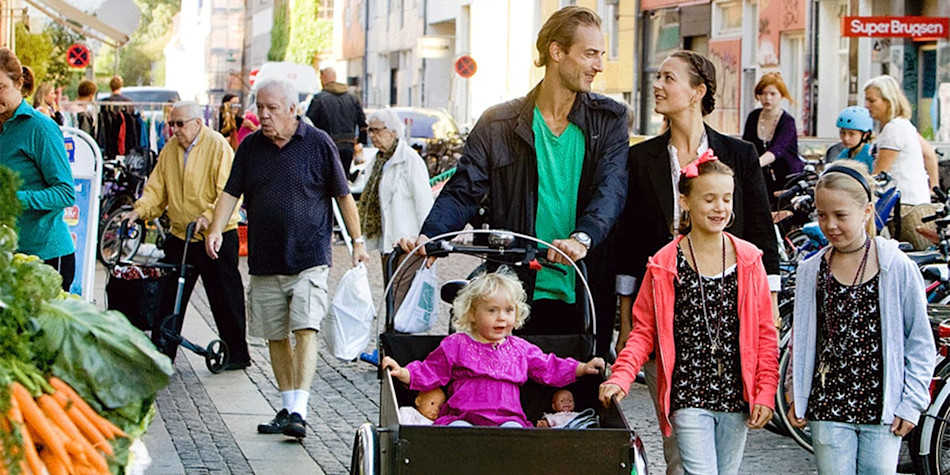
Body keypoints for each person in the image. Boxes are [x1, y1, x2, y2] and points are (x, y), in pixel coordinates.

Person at [398, 6, 629, 357]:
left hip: (581, 286)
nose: (599, 65)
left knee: (571, 401)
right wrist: (432, 235)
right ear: (556, 51)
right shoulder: (498, 123)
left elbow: (611, 189)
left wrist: (583, 238)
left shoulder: (608, 120)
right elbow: (464, 189)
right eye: (589, 54)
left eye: (601, 55)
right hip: (514, 290)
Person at [613, 50, 780, 475]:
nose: (658, 85)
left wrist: (771, 302)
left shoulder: (738, 155)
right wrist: (626, 318)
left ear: (697, 92)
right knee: (678, 449)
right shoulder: (640, 158)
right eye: (658, 76)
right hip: (666, 312)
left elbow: (760, 229)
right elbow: (630, 243)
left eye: (669, 78)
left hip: (729, 310)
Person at [204, 78, 370, 439]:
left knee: (305, 328)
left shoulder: (318, 143)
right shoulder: (250, 148)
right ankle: (288, 405)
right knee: (276, 335)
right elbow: (231, 193)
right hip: (265, 259)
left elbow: (343, 196)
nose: (263, 115)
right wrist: (216, 229)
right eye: (260, 107)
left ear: (292, 110)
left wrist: (357, 241)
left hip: (309, 255)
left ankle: (299, 409)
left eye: (272, 109)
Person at [785, 162, 934, 473]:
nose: (830, 225)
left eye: (841, 215)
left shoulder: (895, 266)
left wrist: (912, 403)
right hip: (827, 406)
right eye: (822, 215)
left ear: (867, 211)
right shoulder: (811, 270)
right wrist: (794, 389)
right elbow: (802, 338)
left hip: (882, 409)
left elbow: (919, 341)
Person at [381, 269, 605, 427]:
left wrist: (581, 368)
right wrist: (404, 372)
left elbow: (548, 366)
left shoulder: (520, 348)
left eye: (508, 310)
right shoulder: (457, 344)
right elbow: (432, 369)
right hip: (463, 415)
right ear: (472, 314)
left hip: (508, 419)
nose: (501, 318)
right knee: (454, 435)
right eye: (492, 311)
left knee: (516, 438)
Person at [125, 101, 251, 369]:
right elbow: (156, 189)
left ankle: (237, 353)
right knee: (169, 294)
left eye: (179, 124)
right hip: (181, 233)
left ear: (197, 123)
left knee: (224, 296)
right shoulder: (170, 149)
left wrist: (208, 217)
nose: (174, 130)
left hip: (215, 234)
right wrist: (139, 211)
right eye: (172, 124)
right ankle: (163, 350)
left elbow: (228, 191)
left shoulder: (217, 145)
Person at [0, 49, 76, 291]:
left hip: (46, 257)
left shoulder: (40, 128)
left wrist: (14, 198)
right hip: (9, 256)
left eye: (0, 87)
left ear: (19, 83)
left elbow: (65, 192)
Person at [358, 108, 433, 307]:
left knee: (400, 294)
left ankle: (395, 335)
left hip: (410, 242)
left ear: (393, 131)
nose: (372, 136)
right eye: (369, 131)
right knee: (390, 294)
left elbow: (424, 201)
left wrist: (429, 239)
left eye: (376, 130)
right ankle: (391, 335)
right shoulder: (377, 161)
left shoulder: (410, 160)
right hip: (388, 242)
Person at [864, 75, 940, 250]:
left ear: (888, 101)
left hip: (903, 206)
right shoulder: (904, 124)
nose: (867, 105)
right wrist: (932, 187)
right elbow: (929, 153)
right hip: (917, 202)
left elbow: (879, 175)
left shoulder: (893, 129)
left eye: (872, 100)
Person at [741, 72, 801, 208]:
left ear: (781, 95)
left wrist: (754, 164)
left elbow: (778, 149)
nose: (767, 98)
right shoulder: (753, 116)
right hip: (760, 178)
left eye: (773, 94)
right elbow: (746, 145)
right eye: (763, 93)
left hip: (786, 178)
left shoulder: (787, 121)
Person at [305, 67, 366, 179]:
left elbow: (308, 124)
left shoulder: (319, 99)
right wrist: (361, 140)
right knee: (342, 180)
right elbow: (362, 122)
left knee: (326, 181)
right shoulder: (352, 98)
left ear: (323, 78)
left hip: (327, 146)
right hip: (348, 145)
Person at [832, 106, 875, 172]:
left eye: (852, 134)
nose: (846, 138)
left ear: (865, 135)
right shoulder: (845, 153)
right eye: (842, 133)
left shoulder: (870, 155)